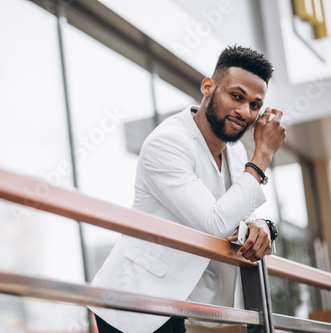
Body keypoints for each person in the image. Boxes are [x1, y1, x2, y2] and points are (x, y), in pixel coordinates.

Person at [88, 45, 286, 333]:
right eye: (236, 96)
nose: (245, 112)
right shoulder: (168, 143)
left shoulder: (237, 155)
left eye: (255, 105)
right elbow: (215, 223)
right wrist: (263, 155)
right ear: (208, 87)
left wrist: (265, 225)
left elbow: (240, 215)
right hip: (133, 301)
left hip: (182, 302)